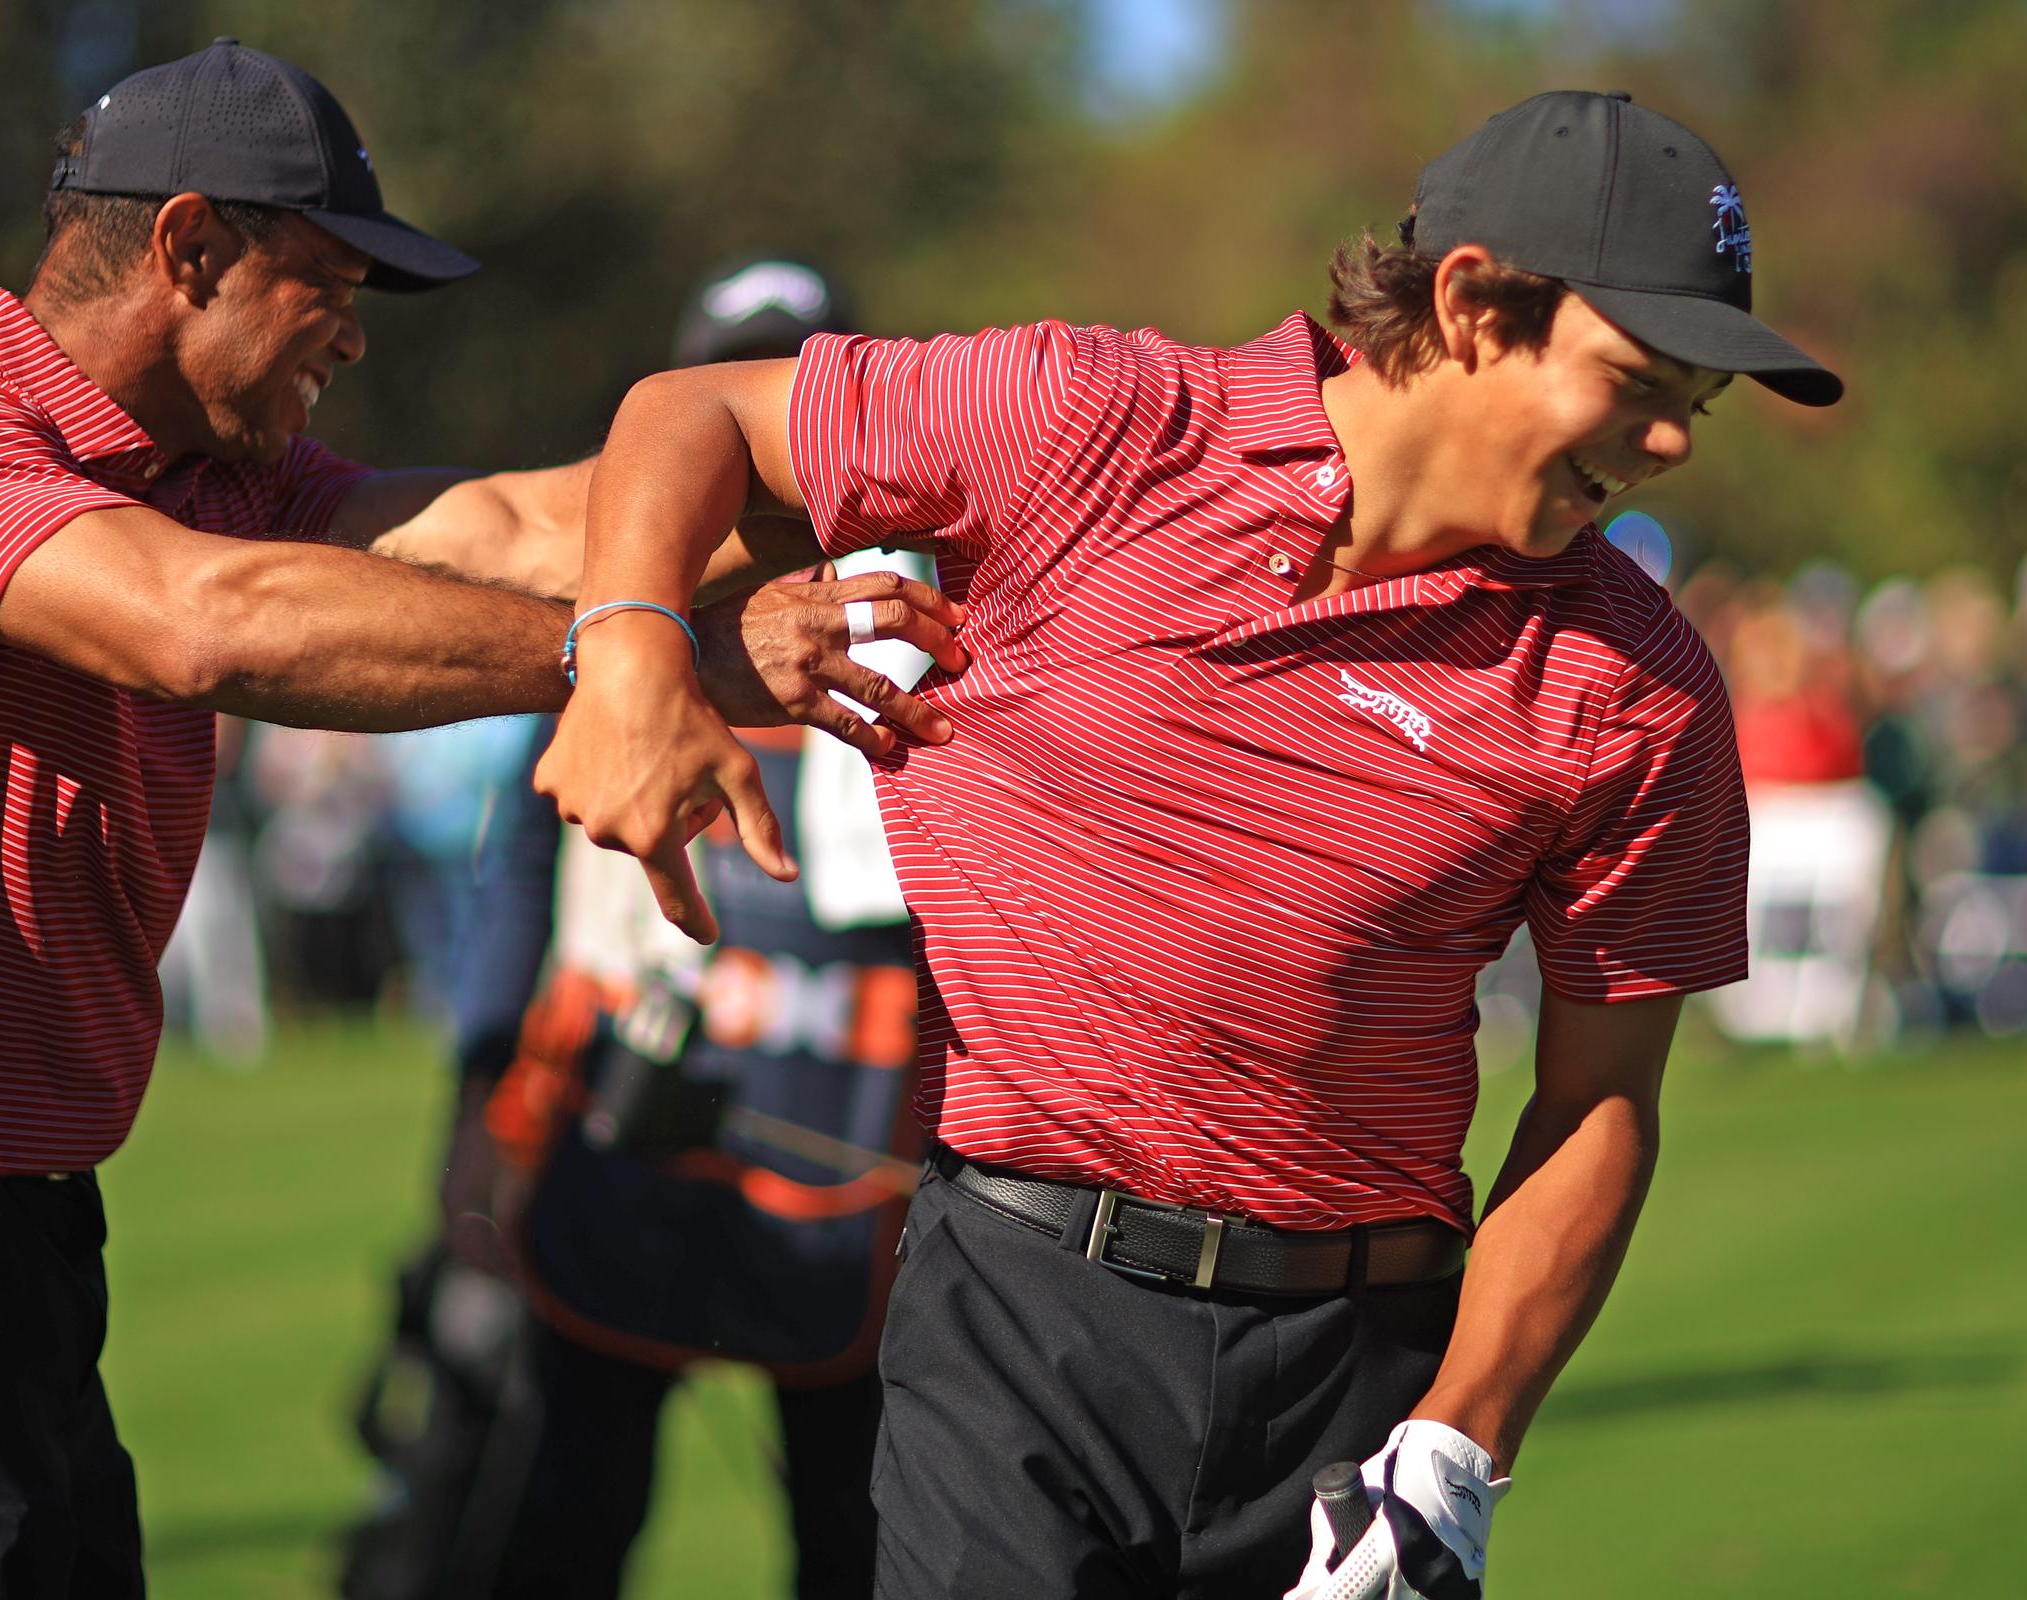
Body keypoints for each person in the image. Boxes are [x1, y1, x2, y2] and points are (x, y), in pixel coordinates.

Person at [0, 41, 958, 1600]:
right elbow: (203, 624)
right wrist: (653, 654)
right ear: (189, 246)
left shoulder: (207, 474)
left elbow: (518, 526)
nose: (354, 340)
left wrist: (948, 472)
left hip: (6, 1251)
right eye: (329, 283)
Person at [534, 90, 1843, 1600]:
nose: (1672, 439)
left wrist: (1458, 1451)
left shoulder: (1638, 683)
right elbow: (691, 412)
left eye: (1700, 400)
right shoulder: (1101, 422)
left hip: (1358, 1389)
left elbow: (1604, 1102)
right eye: (1637, 378)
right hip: (1015, 1321)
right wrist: (629, 657)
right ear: (1476, 305)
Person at [342, 257, 916, 1600]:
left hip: (858, 1133)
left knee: (861, 1534)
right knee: (565, 1515)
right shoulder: (617, 620)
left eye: (791, 384)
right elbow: (521, 886)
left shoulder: (921, 628)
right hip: (619, 1120)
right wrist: (481, 1089)